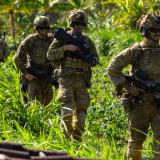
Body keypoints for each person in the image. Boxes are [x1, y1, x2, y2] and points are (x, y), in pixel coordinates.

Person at [107, 12, 160, 160]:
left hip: (158, 105)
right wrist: (128, 88)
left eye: (159, 31)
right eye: (154, 31)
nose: (157, 34)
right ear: (145, 31)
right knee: (136, 142)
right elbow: (112, 68)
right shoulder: (135, 51)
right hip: (139, 104)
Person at [47, 9, 99, 141]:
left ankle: (76, 140)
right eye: (76, 23)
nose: (79, 26)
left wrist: (87, 57)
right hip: (66, 79)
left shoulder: (87, 42)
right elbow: (50, 54)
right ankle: (65, 140)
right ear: (71, 23)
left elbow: (95, 60)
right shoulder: (63, 38)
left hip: (81, 81)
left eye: (81, 24)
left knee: (81, 116)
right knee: (67, 111)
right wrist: (65, 48)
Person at [14, 16, 54, 106]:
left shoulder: (52, 39)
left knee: (48, 104)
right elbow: (17, 58)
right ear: (37, 28)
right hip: (33, 76)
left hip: (47, 76)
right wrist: (26, 74)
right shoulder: (30, 40)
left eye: (46, 28)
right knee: (35, 104)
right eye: (41, 28)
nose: (44, 30)